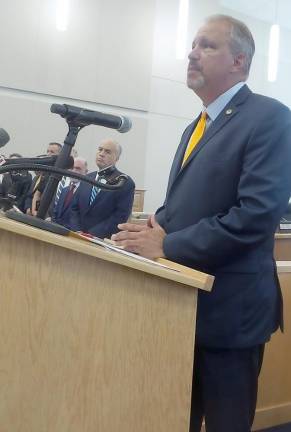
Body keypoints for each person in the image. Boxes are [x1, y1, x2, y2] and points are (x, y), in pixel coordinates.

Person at [112, 14, 291, 432]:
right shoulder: (195, 127)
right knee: (177, 418)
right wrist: (151, 225)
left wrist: (167, 245)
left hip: (232, 313)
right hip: (181, 307)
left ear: (239, 61)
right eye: (193, 44)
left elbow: (255, 216)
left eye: (208, 45)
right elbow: (187, 207)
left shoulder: (270, 118)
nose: (192, 53)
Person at [70, 139, 135, 239]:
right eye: (100, 149)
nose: (101, 154)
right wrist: (77, 230)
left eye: (107, 152)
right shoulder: (87, 178)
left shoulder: (124, 182)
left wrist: (91, 235)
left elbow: (120, 216)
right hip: (77, 236)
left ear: (117, 158)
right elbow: (74, 208)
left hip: (102, 241)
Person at [25, 142, 62, 216]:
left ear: (60, 156)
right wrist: (28, 208)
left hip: (47, 217)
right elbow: (30, 195)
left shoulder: (60, 179)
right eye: (47, 151)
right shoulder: (38, 177)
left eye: (52, 152)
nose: (48, 154)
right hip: (32, 215)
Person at [52, 157, 88, 228]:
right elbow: (56, 212)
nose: (74, 171)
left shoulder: (86, 193)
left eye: (78, 169)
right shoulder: (64, 190)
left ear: (86, 172)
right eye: (72, 168)